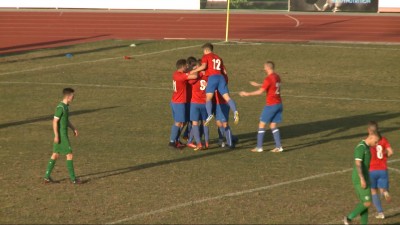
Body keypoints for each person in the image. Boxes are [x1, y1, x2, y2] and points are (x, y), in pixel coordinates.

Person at [189, 43, 239, 126]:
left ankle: (209, 115)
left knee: (208, 98)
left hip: (213, 77)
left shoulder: (206, 56)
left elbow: (204, 66)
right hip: (221, 78)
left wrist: (194, 71)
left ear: (206, 50)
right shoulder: (219, 58)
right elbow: (225, 72)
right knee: (227, 97)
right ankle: (235, 111)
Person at [239, 61, 283, 153]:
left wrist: (247, 94)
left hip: (271, 105)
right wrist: (259, 84)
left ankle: (259, 147)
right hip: (279, 104)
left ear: (268, 68)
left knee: (261, 124)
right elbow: (272, 86)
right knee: (273, 125)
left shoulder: (268, 78)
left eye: (264, 67)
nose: (264, 69)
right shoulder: (277, 76)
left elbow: (260, 92)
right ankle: (279, 147)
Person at [43, 88, 81, 184]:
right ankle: (73, 179)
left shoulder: (66, 106)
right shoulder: (61, 107)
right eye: (73, 96)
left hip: (63, 135)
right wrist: (56, 135)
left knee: (55, 154)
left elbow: (66, 120)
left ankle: (46, 177)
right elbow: (55, 121)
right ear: (68, 97)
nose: (74, 97)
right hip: (61, 136)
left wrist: (73, 128)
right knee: (69, 154)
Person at [343, 132, 380, 225]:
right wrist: (362, 178)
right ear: (371, 138)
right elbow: (358, 164)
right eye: (375, 142)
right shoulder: (361, 147)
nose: (376, 144)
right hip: (359, 178)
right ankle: (348, 218)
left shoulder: (367, 147)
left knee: (364, 203)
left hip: (365, 177)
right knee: (367, 202)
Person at [367, 121, 394, 219]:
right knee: (382, 187)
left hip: (372, 170)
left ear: (369, 130)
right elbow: (391, 152)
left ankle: (380, 212)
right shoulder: (383, 140)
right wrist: (385, 156)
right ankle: (385, 191)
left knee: (373, 191)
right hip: (383, 169)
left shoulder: (369, 141)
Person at [169, 59, 198, 148]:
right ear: (182, 66)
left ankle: (176, 140)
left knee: (183, 122)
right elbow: (195, 76)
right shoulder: (180, 76)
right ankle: (172, 141)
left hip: (177, 101)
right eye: (186, 66)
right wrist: (195, 69)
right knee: (178, 123)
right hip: (179, 103)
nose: (187, 67)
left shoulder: (176, 74)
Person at [186, 60, 209, 151]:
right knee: (205, 123)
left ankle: (199, 143)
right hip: (205, 103)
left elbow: (189, 81)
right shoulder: (208, 76)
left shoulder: (196, 76)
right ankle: (207, 142)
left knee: (195, 123)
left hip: (195, 103)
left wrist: (193, 71)